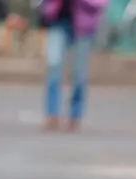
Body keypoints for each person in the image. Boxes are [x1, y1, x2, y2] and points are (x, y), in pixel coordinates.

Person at [35, 0, 110, 131]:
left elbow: (100, 3)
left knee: (79, 73)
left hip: (83, 26)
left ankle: (75, 116)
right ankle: (51, 114)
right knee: (54, 65)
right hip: (57, 21)